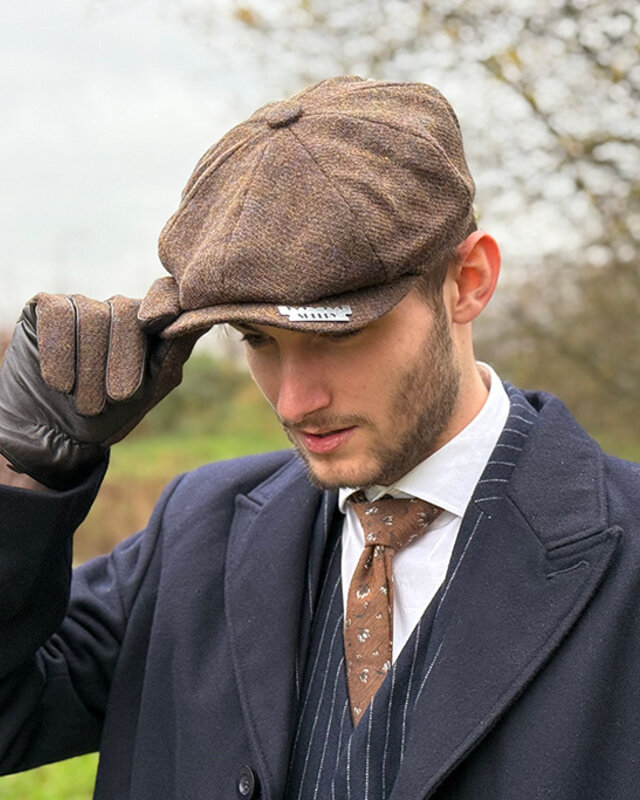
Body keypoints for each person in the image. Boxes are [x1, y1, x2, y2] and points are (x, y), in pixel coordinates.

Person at [0, 76, 638, 800]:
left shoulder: (627, 552)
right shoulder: (197, 529)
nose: (296, 401)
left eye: (342, 336)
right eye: (257, 340)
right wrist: (24, 472)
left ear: (469, 280)